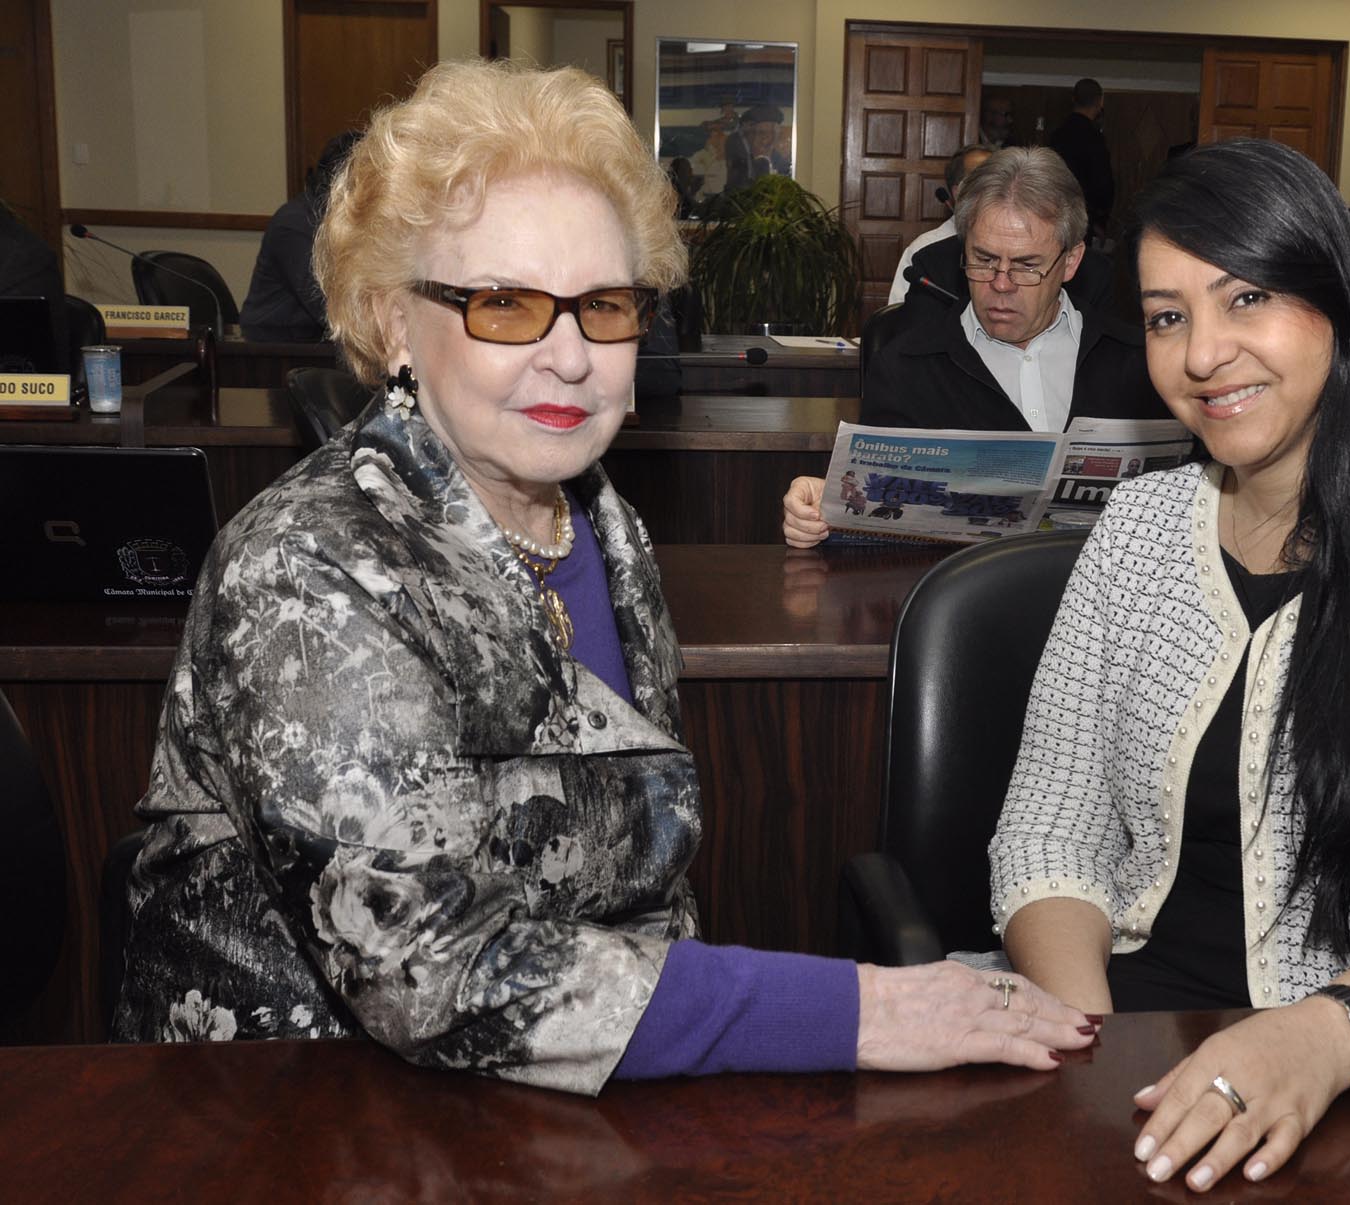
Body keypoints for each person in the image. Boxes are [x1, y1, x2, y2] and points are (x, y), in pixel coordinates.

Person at [111, 60, 1093, 1091]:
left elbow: (642, 891)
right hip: (289, 1110)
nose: (572, 356)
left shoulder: (601, 523)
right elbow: (429, 968)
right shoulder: (306, 566)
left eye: (605, 304)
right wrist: (861, 1008)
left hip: (559, 1097)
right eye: (503, 304)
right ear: (394, 322)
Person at [990, 139, 1350, 1190]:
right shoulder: (1134, 528)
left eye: (1247, 297)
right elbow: (1048, 830)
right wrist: (1095, 1044)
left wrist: (1320, 1036)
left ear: (1338, 305)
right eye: (1169, 315)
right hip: (1120, 1050)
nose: (1203, 354)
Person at [780, 148, 1165, 548]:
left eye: (1026, 265)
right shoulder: (906, 366)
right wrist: (817, 510)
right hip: (961, 596)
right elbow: (880, 514)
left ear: (1070, 262)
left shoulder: (1139, 362)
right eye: (983, 260)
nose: (1001, 283)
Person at [240, 132, 362, 341]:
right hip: (271, 351)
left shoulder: (343, 220)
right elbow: (331, 308)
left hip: (314, 346)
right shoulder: (294, 224)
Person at [887, 143, 993, 305]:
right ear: (958, 192)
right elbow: (900, 318)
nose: (995, 187)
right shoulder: (923, 250)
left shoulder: (1019, 243)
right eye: (982, 179)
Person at [1048, 78, 1115, 241]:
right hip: (1084, 216)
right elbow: (1102, 182)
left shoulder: (1057, 135)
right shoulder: (1094, 138)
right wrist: (1099, 219)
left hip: (1055, 212)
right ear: (1100, 102)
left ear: (1073, 99)